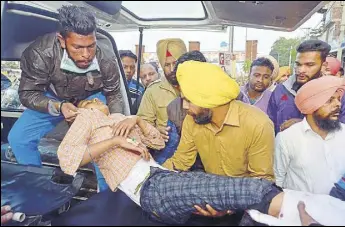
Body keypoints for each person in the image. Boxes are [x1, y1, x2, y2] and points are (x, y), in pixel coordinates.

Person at [56, 99, 345, 226]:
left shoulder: (118, 119)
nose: (96, 103)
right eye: (89, 102)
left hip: (163, 177)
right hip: (150, 190)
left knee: (241, 194)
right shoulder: (89, 118)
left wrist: (137, 120)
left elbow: (157, 142)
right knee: (251, 192)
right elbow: (67, 159)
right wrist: (114, 142)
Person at [7, 5, 123, 192]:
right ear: (62, 40)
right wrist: (58, 107)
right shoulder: (39, 53)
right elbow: (28, 93)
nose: (86, 54)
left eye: (91, 46)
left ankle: (107, 195)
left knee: (104, 143)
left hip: (92, 98)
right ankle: (38, 187)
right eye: (77, 47)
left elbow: (114, 93)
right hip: (53, 98)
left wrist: (116, 121)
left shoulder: (106, 58)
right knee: (18, 138)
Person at [162, 61, 275, 181]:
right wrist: (149, 173)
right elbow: (181, 162)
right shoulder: (192, 120)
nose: (184, 107)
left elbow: (261, 182)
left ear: (210, 99)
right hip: (211, 192)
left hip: (244, 195)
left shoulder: (258, 125)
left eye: (189, 100)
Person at [274, 76, 345, 194]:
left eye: (338, 99)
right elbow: (277, 182)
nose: (337, 104)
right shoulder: (287, 139)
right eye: (330, 100)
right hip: (302, 211)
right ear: (311, 106)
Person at [267, 40, 338, 134]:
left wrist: (305, 125)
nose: (301, 70)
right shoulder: (281, 90)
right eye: (298, 64)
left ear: (323, 66)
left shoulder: (336, 93)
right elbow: (269, 126)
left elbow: (340, 130)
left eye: (309, 65)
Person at [137, 38, 187, 140]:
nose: (172, 69)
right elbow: (142, 123)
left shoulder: (198, 86)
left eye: (175, 63)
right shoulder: (153, 91)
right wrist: (156, 130)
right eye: (167, 65)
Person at [119, 50, 144, 114]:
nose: (129, 70)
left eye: (132, 67)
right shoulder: (109, 85)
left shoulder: (139, 88)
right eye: (125, 67)